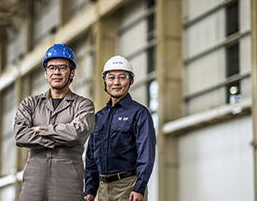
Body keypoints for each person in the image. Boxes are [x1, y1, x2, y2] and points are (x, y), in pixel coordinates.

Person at [14, 43, 95, 201]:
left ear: (71, 73)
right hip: (34, 181)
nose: (56, 72)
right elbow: (20, 136)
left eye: (62, 67)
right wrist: (59, 138)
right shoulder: (30, 104)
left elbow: (76, 134)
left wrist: (38, 129)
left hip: (68, 181)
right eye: (51, 68)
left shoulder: (83, 105)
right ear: (45, 73)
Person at [84, 56, 156, 201]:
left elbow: (146, 153)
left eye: (122, 77)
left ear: (131, 81)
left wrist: (139, 187)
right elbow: (91, 156)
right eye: (111, 77)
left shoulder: (139, 113)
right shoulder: (99, 117)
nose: (116, 82)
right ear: (105, 81)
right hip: (102, 190)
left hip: (128, 187)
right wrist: (90, 190)